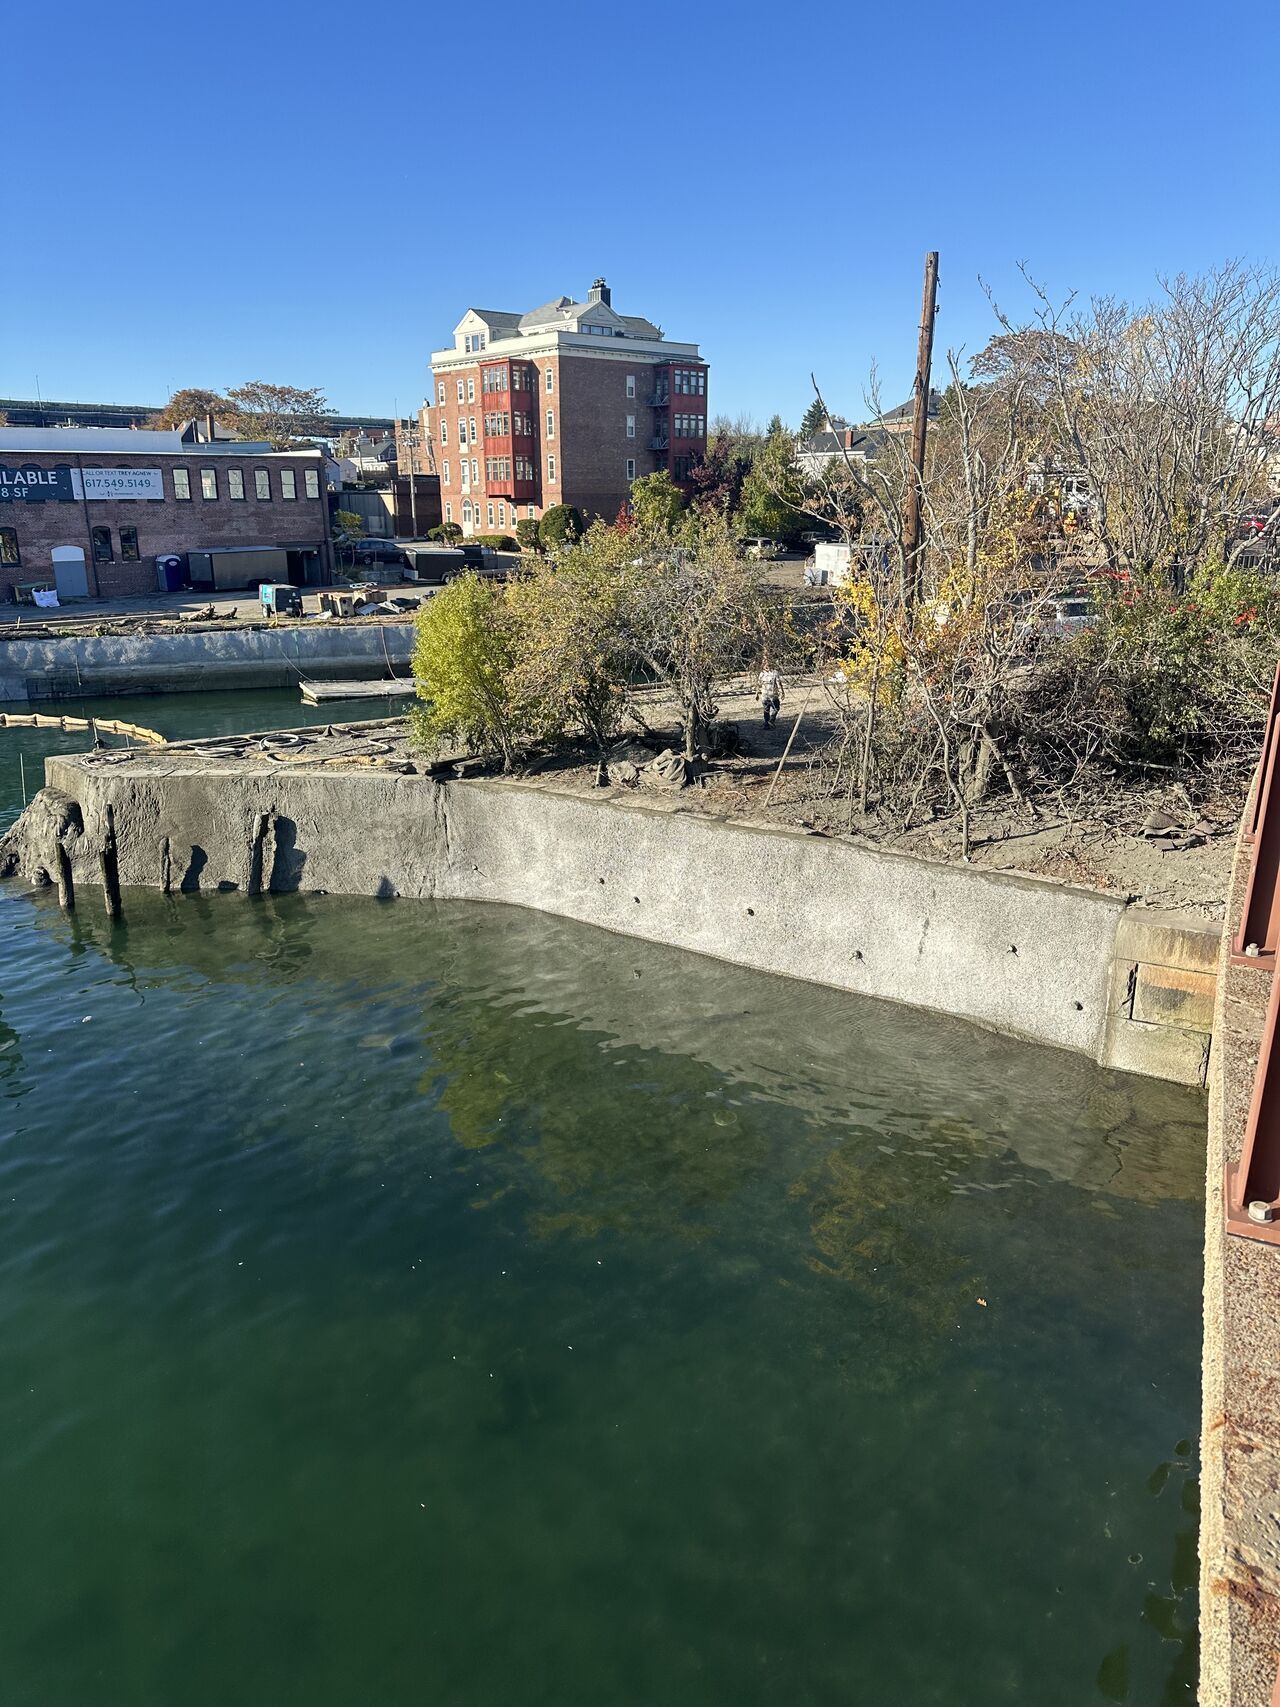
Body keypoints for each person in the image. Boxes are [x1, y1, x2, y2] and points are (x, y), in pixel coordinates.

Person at [758, 662, 783, 729]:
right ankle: (771, 720)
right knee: (776, 708)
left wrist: (757, 693)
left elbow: (759, 684)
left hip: (764, 695)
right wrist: (782, 692)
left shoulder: (762, 674)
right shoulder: (775, 673)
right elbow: (779, 684)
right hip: (772, 695)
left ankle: (766, 724)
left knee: (766, 710)